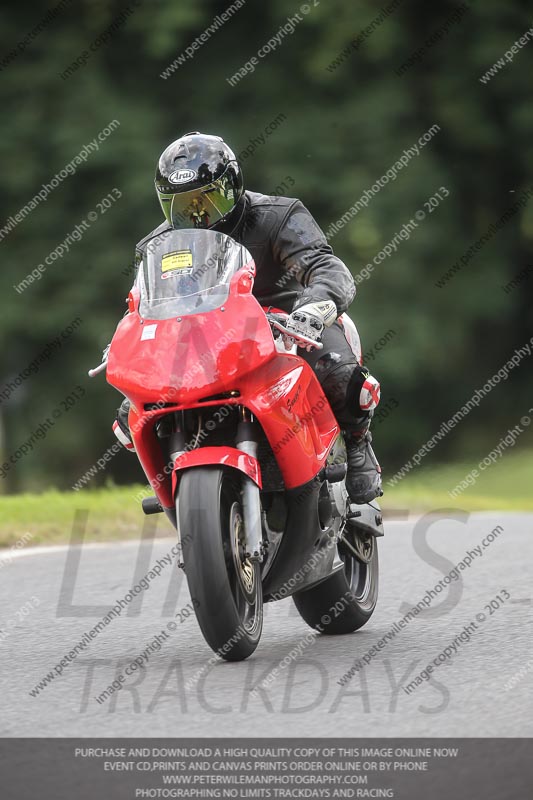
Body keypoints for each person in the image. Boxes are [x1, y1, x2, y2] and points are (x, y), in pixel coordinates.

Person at [113, 132, 382, 504]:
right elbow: (144, 303)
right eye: (182, 205)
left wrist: (312, 308)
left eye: (207, 199)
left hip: (290, 325)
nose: (197, 214)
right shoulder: (157, 246)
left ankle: (356, 443)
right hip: (208, 342)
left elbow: (325, 266)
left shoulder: (278, 216)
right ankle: (181, 480)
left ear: (234, 185)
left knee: (341, 375)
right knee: (134, 411)